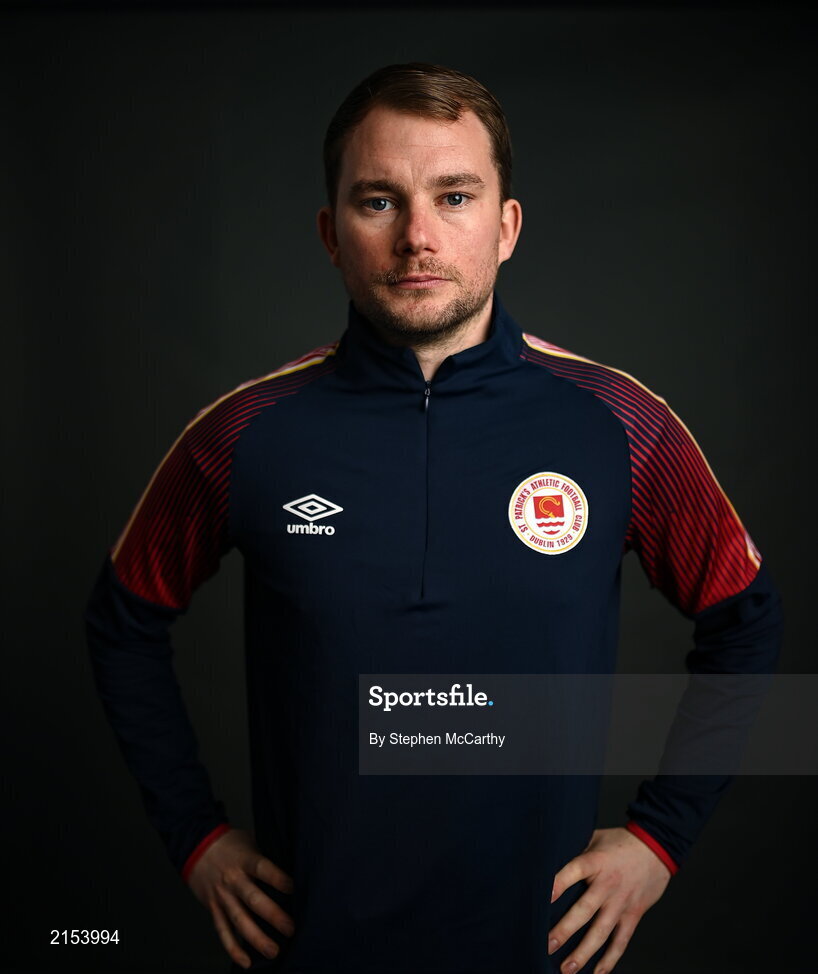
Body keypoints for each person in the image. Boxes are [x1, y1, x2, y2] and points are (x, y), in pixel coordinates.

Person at [84, 62, 782, 974]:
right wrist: (196, 838)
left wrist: (661, 840)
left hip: (540, 954)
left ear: (507, 226)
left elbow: (748, 622)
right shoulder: (244, 435)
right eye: (380, 201)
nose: (418, 236)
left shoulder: (622, 425)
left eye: (454, 196)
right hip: (312, 953)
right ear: (332, 235)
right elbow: (120, 624)